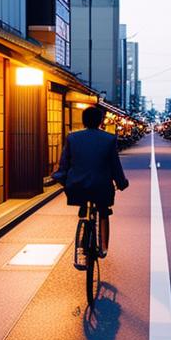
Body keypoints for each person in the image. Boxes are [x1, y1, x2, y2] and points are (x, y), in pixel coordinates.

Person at [52, 106, 129, 257]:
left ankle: (83, 210)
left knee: (83, 194)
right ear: (101, 121)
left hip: (76, 186)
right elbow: (115, 166)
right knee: (103, 209)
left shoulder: (72, 138)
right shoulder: (109, 139)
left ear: (83, 121)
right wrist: (121, 182)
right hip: (101, 187)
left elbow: (64, 163)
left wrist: (60, 177)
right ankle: (103, 246)